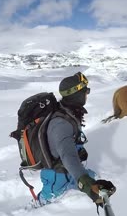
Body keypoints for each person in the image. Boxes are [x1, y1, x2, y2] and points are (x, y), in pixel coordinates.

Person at [37, 72, 116, 206]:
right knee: (46, 205)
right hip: (57, 178)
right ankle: (34, 207)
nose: (87, 94)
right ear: (77, 95)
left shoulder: (69, 112)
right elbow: (68, 156)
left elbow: (70, 144)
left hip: (71, 170)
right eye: (86, 91)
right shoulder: (61, 124)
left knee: (95, 178)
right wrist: (86, 184)